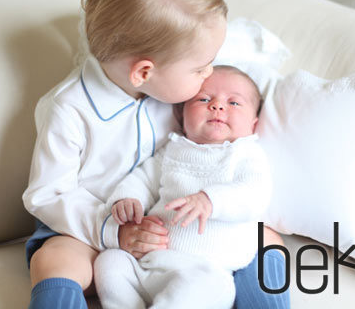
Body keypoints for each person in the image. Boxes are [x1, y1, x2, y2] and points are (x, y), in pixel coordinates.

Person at [22, 0, 288, 309]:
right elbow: (46, 195)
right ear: (144, 72)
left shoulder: (176, 80)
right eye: (200, 68)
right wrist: (114, 231)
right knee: (54, 259)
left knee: (267, 238)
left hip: (179, 227)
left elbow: (227, 50)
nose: (208, 74)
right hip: (91, 228)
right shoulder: (69, 110)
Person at [95, 66, 287, 308]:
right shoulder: (173, 150)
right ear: (182, 115)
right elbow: (143, 178)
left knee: (217, 286)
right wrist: (127, 199)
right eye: (204, 99)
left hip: (206, 269)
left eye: (234, 103)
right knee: (110, 261)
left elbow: (254, 194)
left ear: (253, 124)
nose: (217, 106)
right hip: (151, 263)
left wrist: (211, 200)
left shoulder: (246, 154)